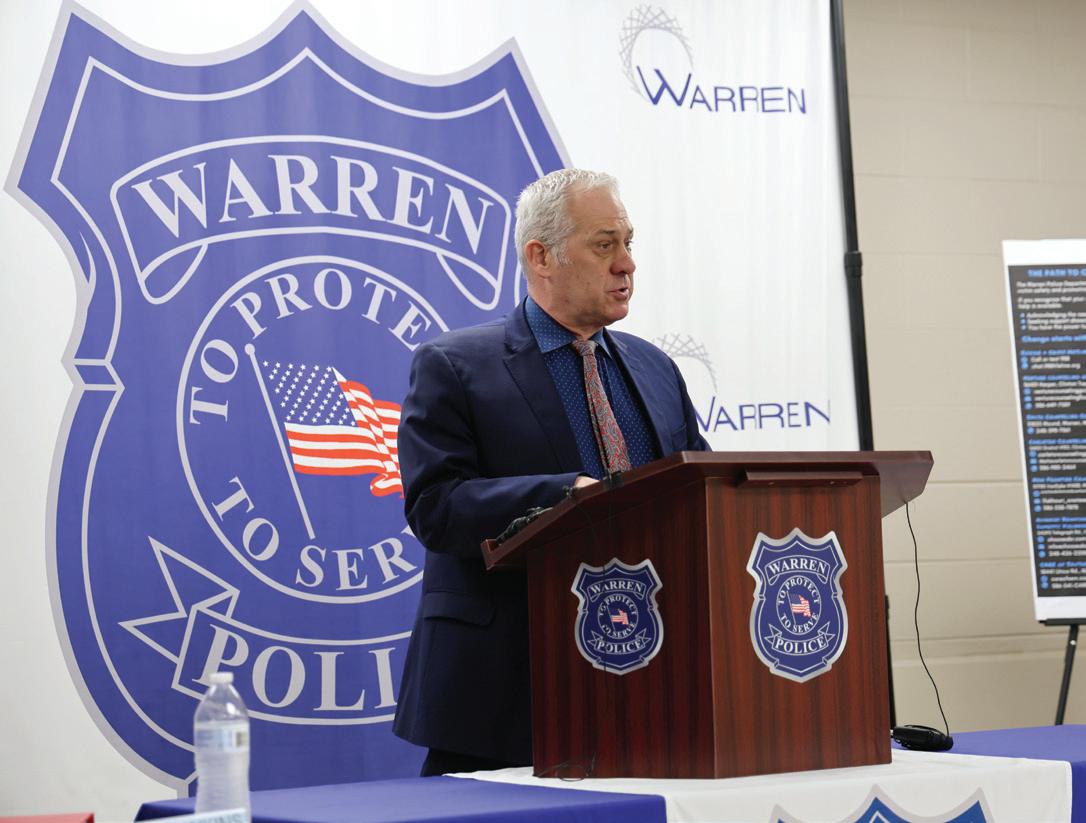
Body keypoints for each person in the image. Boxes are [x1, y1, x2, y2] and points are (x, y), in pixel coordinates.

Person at [392, 169, 710, 776]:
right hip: (506, 691)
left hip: (655, 681)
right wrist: (568, 496)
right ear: (541, 257)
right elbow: (437, 508)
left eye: (628, 243)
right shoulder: (454, 365)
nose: (627, 264)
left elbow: (701, 490)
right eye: (604, 244)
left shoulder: (655, 368)